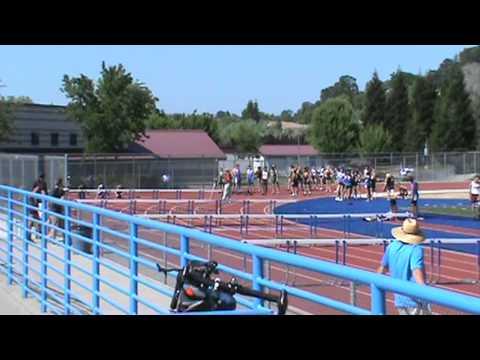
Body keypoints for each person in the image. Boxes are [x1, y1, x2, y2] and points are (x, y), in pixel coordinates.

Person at [377, 218, 431, 315]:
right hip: (415, 300)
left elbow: (382, 269)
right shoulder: (416, 249)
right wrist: (426, 292)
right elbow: (417, 272)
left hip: (399, 299)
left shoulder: (391, 246)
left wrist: (375, 285)